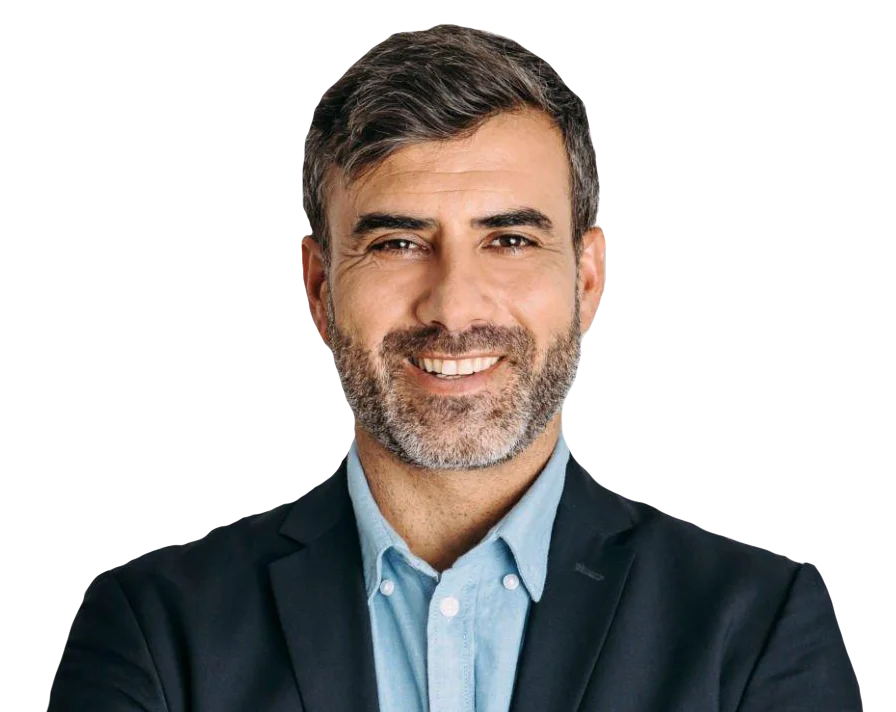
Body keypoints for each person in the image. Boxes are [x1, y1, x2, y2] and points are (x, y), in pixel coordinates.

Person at [48, 22, 862, 711]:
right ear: (320, 287)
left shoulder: (758, 631)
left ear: (586, 278)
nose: (455, 306)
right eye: (398, 243)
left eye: (509, 240)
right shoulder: (154, 633)